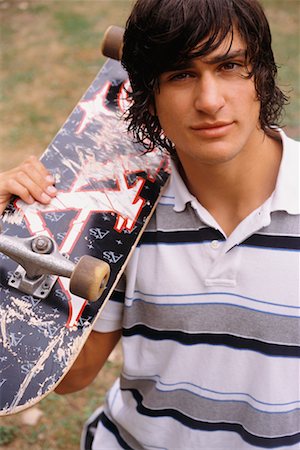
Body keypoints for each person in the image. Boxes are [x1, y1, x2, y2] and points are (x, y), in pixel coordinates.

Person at [0, 0, 299, 448]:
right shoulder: (122, 214)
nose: (210, 100)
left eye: (230, 66)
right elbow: (66, 376)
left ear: (262, 74)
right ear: (148, 97)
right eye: (180, 74)